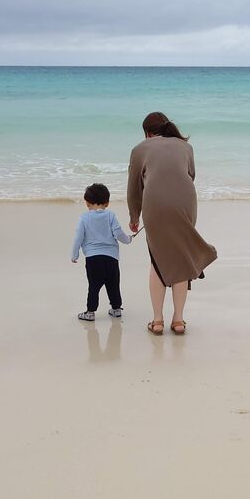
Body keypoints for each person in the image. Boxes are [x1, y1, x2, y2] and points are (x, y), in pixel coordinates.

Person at [127, 112, 217, 335]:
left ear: (147, 132)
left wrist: (134, 217)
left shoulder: (139, 149)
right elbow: (190, 175)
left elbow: (134, 188)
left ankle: (157, 321)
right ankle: (178, 320)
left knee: (157, 258)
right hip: (186, 202)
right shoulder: (186, 147)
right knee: (180, 256)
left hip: (155, 205)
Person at [71, 183, 133, 322]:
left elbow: (78, 237)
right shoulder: (110, 216)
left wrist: (75, 254)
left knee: (94, 286)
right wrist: (128, 240)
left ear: (87, 203)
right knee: (113, 284)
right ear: (107, 203)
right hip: (111, 258)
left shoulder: (84, 218)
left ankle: (90, 312)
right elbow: (118, 233)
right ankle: (116, 309)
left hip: (93, 259)